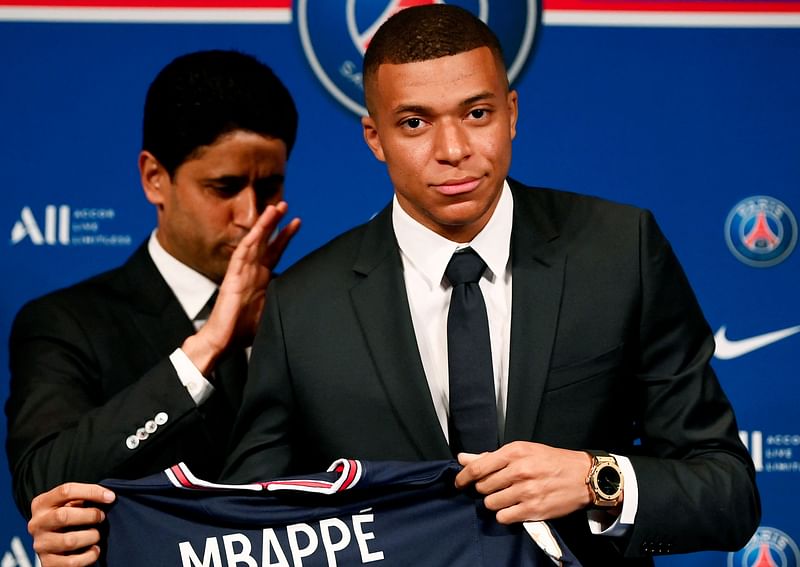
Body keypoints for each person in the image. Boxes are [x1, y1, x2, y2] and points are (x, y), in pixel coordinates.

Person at [221, 5, 760, 566]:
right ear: (374, 137)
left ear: (512, 112)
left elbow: (729, 495)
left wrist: (598, 480)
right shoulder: (304, 304)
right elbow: (248, 529)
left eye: (476, 113)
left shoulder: (621, 252)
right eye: (414, 123)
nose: (453, 150)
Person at [5, 50, 300, 566]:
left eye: (269, 186)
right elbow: (46, 484)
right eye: (224, 188)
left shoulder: (310, 307)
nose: (251, 215)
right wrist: (205, 350)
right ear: (153, 178)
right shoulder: (65, 322)